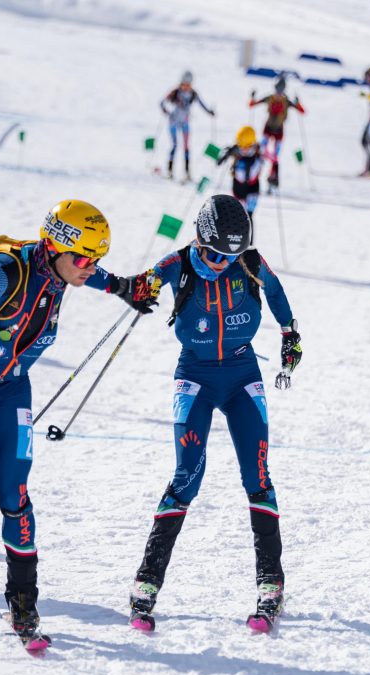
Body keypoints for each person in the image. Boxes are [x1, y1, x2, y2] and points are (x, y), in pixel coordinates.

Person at [0, 200, 156, 649]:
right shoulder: (2, 274)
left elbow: (92, 274)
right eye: (83, 258)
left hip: (11, 392)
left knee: (17, 498)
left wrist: (123, 287)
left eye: (95, 260)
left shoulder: (62, 271)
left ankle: (23, 608)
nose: (89, 268)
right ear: (57, 246)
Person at [122, 194, 302, 633]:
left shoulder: (250, 263)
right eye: (216, 253)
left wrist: (289, 333)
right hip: (196, 376)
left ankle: (270, 583)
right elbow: (139, 282)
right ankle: (146, 582)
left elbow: (276, 293)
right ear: (201, 239)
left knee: (257, 476)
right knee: (187, 474)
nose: (224, 262)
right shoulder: (179, 262)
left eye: (232, 254)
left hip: (242, 375)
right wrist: (139, 292)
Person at [248, 76, 305, 189]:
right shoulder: (270, 98)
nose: (279, 92)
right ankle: (254, 176)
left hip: (279, 131)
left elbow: (302, 111)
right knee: (261, 153)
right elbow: (252, 105)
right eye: (277, 89)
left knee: (275, 157)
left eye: (281, 90)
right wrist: (252, 97)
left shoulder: (286, 101)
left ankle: (272, 180)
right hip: (268, 129)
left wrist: (298, 103)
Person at [161, 71, 215, 181]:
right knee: (175, 145)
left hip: (185, 122)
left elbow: (201, 104)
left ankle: (187, 173)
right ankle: (170, 171)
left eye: (188, 84)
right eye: (184, 84)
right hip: (174, 122)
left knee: (186, 147)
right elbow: (162, 102)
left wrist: (209, 112)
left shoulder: (193, 93)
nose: (186, 86)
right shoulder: (175, 92)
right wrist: (166, 111)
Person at [217, 126, 264, 224]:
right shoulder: (237, 150)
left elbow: (268, 159)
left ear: (252, 144)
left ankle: (249, 239)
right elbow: (225, 153)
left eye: (246, 147)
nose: (243, 149)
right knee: (236, 216)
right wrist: (225, 155)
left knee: (248, 218)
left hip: (252, 188)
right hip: (238, 187)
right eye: (241, 146)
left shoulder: (258, 154)